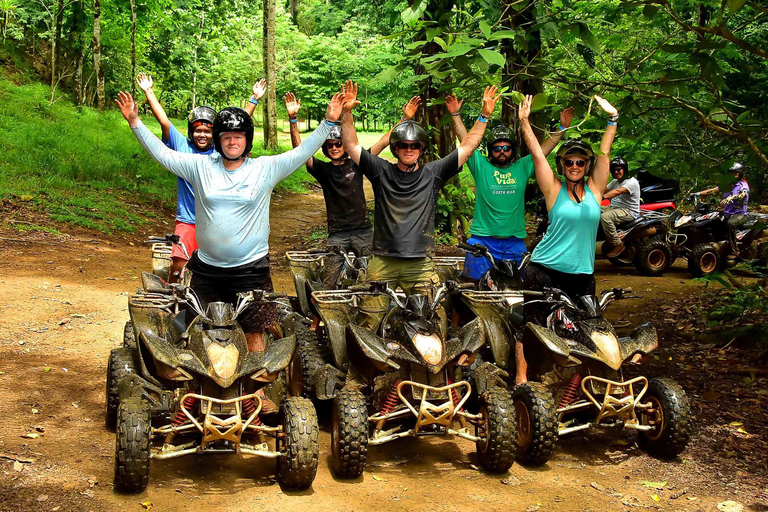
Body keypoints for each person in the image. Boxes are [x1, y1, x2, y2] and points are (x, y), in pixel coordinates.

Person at [115, 90, 344, 356]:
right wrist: (135, 122)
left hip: (251, 270)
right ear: (218, 140)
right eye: (226, 137)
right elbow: (163, 154)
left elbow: (302, 151)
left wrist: (328, 123)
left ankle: (256, 393)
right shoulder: (201, 167)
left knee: (254, 333)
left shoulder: (264, 168)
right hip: (207, 269)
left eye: (238, 137)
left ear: (247, 140)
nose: (232, 142)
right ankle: (189, 387)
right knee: (187, 327)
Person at [338, 80, 502, 329]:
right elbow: (351, 145)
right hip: (383, 259)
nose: (408, 149)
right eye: (403, 145)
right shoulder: (381, 170)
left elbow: (468, 147)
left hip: (420, 263)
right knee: (369, 320)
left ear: (422, 148)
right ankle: (365, 367)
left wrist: (484, 116)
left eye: (414, 145)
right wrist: (346, 113)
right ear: (395, 148)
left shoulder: (433, 173)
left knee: (432, 321)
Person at [517, 94, 619, 384]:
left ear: (586, 166)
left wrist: (612, 120)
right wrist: (525, 122)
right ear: (563, 165)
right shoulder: (554, 190)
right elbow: (538, 155)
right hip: (545, 271)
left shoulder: (596, 189)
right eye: (569, 161)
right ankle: (522, 380)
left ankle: (578, 384)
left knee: (586, 329)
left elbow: (605, 154)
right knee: (534, 327)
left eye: (580, 162)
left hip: (582, 275)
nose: (575, 165)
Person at [136, 73, 267, 282]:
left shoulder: (220, 153)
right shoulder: (182, 147)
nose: (202, 135)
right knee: (179, 263)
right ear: (191, 132)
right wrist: (148, 91)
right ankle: (173, 300)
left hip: (217, 221)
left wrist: (254, 99)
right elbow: (164, 122)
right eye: (198, 131)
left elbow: (236, 123)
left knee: (220, 267)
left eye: (207, 131)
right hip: (188, 220)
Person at [283, 92, 422, 286]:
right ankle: (321, 315)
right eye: (330, 145)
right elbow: (301, 152)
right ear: (325, 148)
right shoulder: (323, 170)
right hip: (337, 234)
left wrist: (404, 119)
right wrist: (293, 120)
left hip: (363, 231)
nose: (334, 148)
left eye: (339, 144)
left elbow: (382, 142)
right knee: (329, 283)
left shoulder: (357, 163)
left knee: (370, 280)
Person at [444, 94, 574, 282]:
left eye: (506, 148)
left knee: (519, 289)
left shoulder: (522, 167)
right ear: (490, 151)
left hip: (514, 242)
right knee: (471, 290)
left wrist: (562, 128)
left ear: (513, 149)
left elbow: (542, 151)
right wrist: (455, 115)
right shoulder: (481, 167)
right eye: (497, 148)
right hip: (482, 240)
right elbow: (467, 143)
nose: (502, 152)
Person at [600, 157, 641, 257]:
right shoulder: (615, 181)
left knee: (605, 217)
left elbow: (617, 192)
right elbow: (604, 189)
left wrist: (603, 197)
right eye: (614, 170)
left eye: (618, 169)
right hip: (614, 207)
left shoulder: (631, 182)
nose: (616, 172)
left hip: (628, 211)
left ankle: (617, 244)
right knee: (595, 211)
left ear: (624, 169)